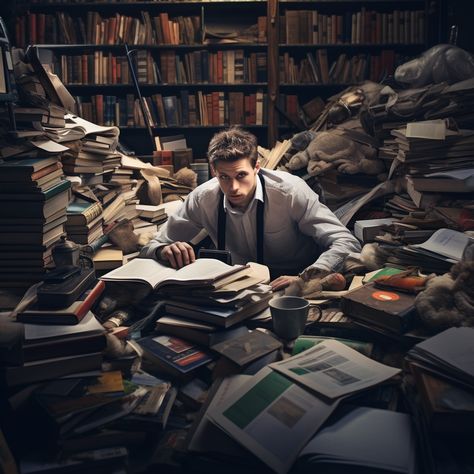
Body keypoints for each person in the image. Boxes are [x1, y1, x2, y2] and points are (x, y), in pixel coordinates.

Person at [139, 127, 361, 291]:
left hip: (294, 281)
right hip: (235, 286)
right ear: (213, 171)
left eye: (241, 175)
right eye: (224, 177)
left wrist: (307, 278)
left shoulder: (290, 192)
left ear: (257, 167)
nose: (233, 187)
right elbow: (152, 246)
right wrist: (163, 250)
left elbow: (346, 242)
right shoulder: (202, 198)